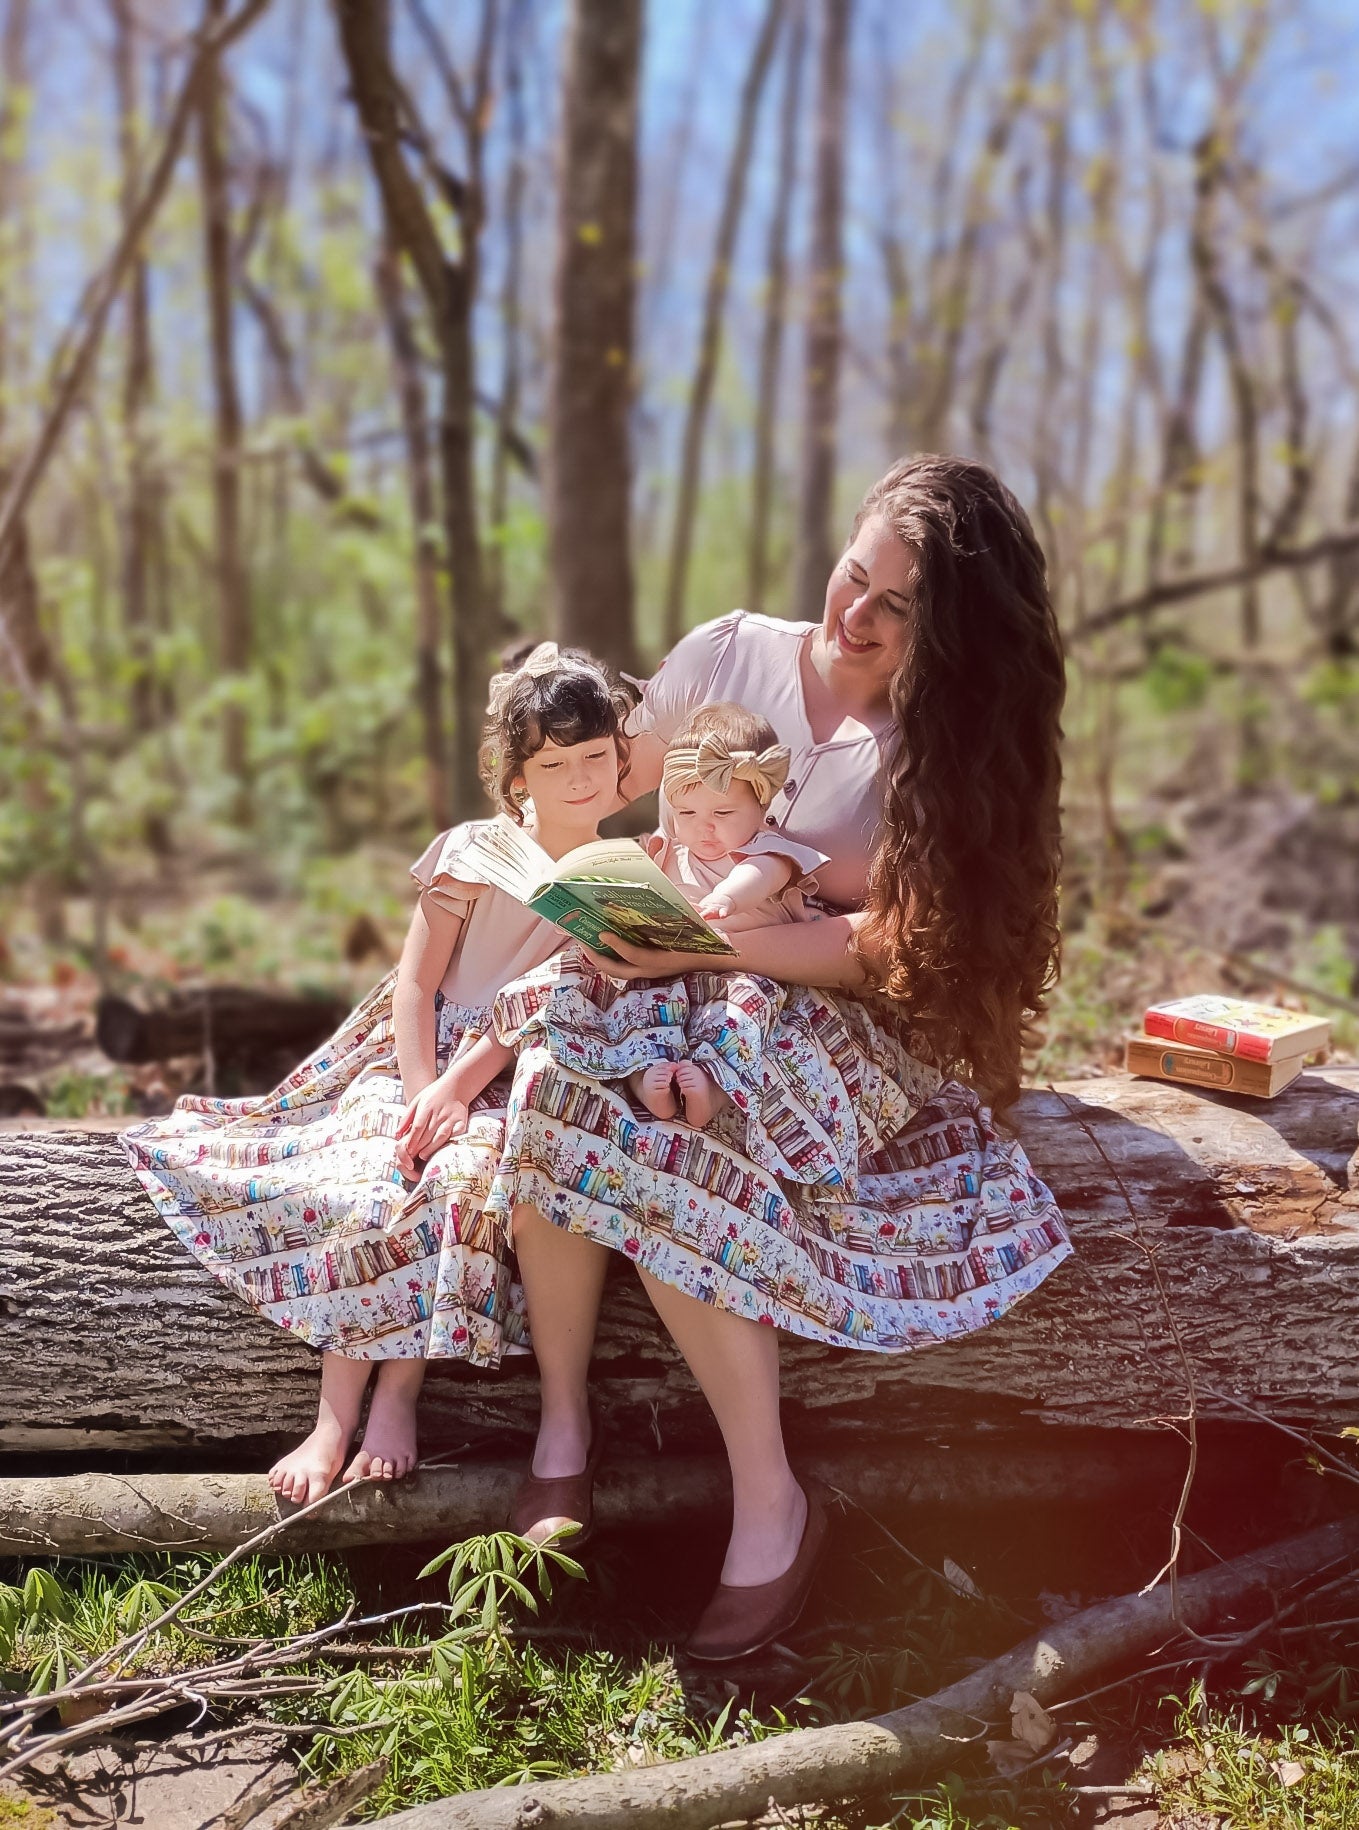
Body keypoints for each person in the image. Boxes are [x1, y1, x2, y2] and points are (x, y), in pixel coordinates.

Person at [481, 454, 1071, 1660]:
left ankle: (771, 1501)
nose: (854, 616)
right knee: (555, 1080)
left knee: (696, 1128)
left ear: (954, 631)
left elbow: (894, 948)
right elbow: (599, 790)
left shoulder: (943, 744)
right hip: (665, 972)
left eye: (897, 607)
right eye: (854, 575)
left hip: (829, 1008)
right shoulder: (731, 656)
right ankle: (561, 1434)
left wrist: (730, 945)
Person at [120, 642, 634, 1504]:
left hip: (512, 1072)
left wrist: (462, 1096)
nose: (577, 780)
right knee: (375, 1176)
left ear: (621, 761)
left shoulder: (615, 878)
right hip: (415, 1055)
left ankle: (398, 1399)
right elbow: (418, 985)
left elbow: (556, 1007)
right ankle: (332, 1417)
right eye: (553, 765)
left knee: (460, 1184)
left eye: (593, 759)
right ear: (517, 778)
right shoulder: (474, 851)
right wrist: (422, 1087)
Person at [613, 700, 828, 1127]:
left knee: (743, 1013)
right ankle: (640, 1076)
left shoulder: (768, 852)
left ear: (762, 807)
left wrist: (726, 897)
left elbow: (758, 877)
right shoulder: (670, 851)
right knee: (637, 1003)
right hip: (674, 973)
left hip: (751, 971)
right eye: (687, 813)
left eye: (723, 813)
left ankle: (713, 1089)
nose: (703, 827)